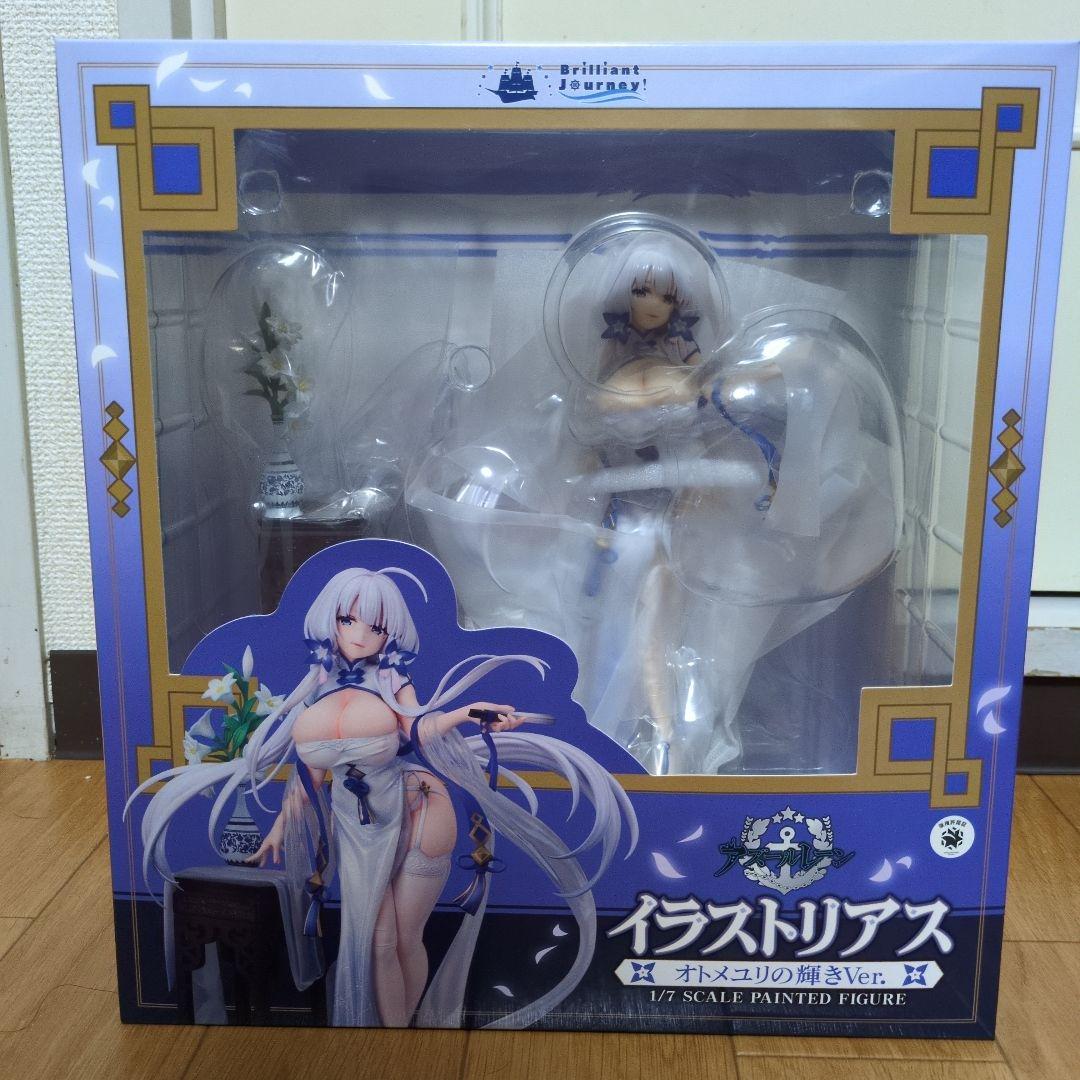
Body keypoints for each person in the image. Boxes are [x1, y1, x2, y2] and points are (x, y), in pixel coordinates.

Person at [126, 564, 636, 1029]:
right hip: (359, 825)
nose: (359, 635)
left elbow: (419, 730)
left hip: (418, 807)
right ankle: (400, 1037)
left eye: (375, 627)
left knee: (402, 938)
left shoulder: (393, 678)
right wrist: (282, 825)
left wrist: (466, 712)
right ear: (332, 620)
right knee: (378, 940)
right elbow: (310, 772)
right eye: (348, 620)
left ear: (390, 634)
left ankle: (401, 1041)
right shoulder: (317, 684)